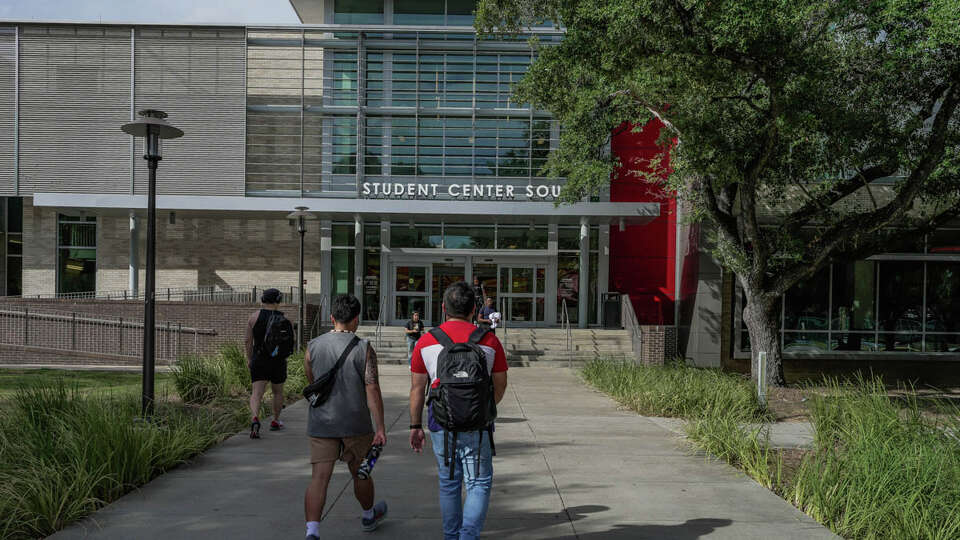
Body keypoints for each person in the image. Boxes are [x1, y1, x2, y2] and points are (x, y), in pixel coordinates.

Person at [409, 281, 508, 540]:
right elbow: (500, 385)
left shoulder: (426, 342)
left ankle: (451, 536)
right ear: (475, 309)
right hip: (479, 425)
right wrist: (483, 408)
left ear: (443, 308)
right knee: (478, 483)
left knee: (449, 482)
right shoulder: (489, 341)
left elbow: (417, 389)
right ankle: (468, 536)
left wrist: (415, 426)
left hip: (441, 422)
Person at [303, 294, 388, 539]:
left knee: (319, 478)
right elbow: (372, 388)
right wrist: (380, 427)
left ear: (332, 318)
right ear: (356, 319)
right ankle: (369, 515)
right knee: (361, 471)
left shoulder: (313, 346)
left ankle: (312, 531)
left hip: (321, 422)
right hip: (356, 422)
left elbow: (313, 381)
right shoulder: (364, 348)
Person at [244, 287, 295, 439]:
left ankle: (254, 419)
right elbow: (290, 342)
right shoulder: (286, 320)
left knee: (257, 393)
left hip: (259, 360)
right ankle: (275, 421)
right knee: (278, 392)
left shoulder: (253, 317)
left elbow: (247, 340)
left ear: (262, 300)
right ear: (278, 301)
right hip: (278, 361)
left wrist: (249, 358)